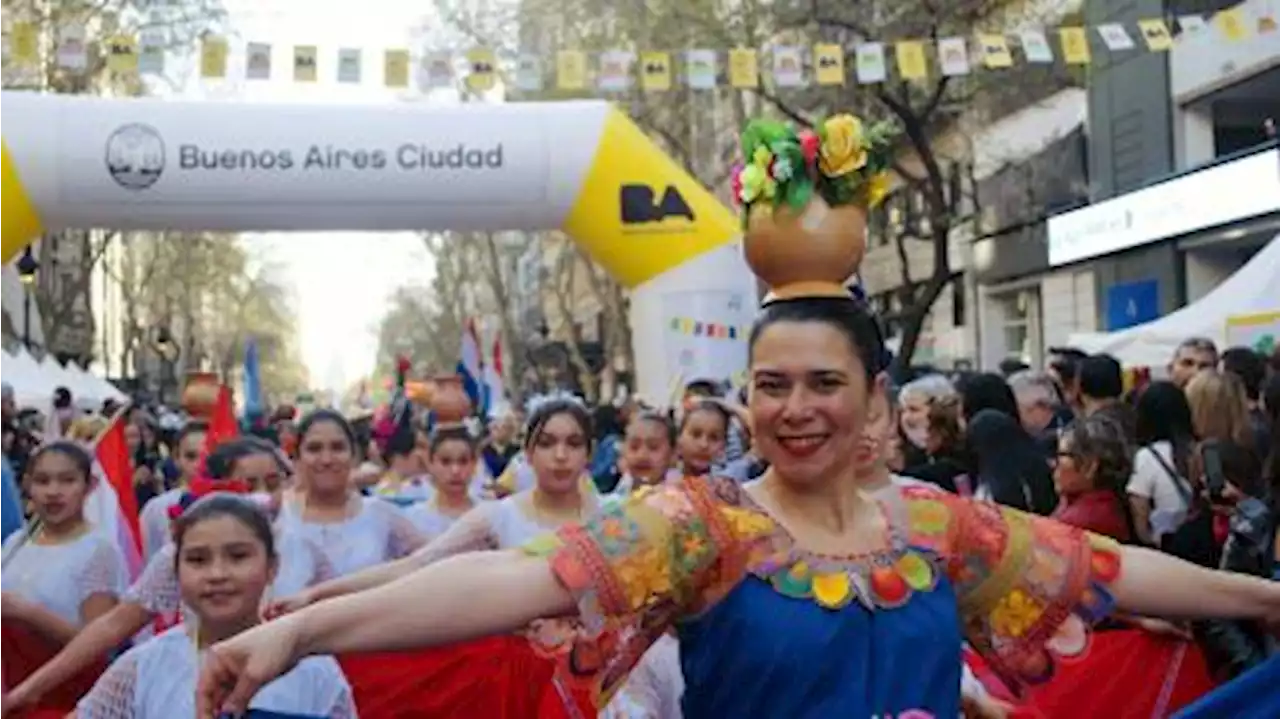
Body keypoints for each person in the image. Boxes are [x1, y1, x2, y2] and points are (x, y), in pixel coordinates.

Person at [196, 113, 1280, 719]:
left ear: (870, 399)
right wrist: (294, 628)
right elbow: (507, 581)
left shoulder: (934, 524)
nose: (794, 408)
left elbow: (1103, 570)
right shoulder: (700, 522)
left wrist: (1259, 597)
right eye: (771, 385)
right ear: (743, 395)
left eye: (822, 384)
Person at [75, 495, 355, 718]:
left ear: (272, 567)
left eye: (238, 556)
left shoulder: (313, 668)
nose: (217, 574)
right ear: (176, 572)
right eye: (198, 560)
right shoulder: (143, 667)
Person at [276, 409, 426, 577]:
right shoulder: (279, 517)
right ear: (297, 458)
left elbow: (431, 560)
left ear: (354, 456)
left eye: (338, 448)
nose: (327, 459)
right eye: (314, 449)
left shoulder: (380, 515)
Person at [138, 421, 207, 559]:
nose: (200, 464)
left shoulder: (235, 504)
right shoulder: (156, 508)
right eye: (191, 456)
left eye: (208, 455)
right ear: (176, 458)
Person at [405, 425, 484, 538]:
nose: (455, 470)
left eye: (463, 461)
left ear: (474, 464)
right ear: (431, 464)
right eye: (445, 462)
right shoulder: (413, 519)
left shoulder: (490, 517)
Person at [609, 411, 677, 497]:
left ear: (672, 455)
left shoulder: (679, 499)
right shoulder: (616, 497)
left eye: (653, 447)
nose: (642, 456)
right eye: (634, 447)